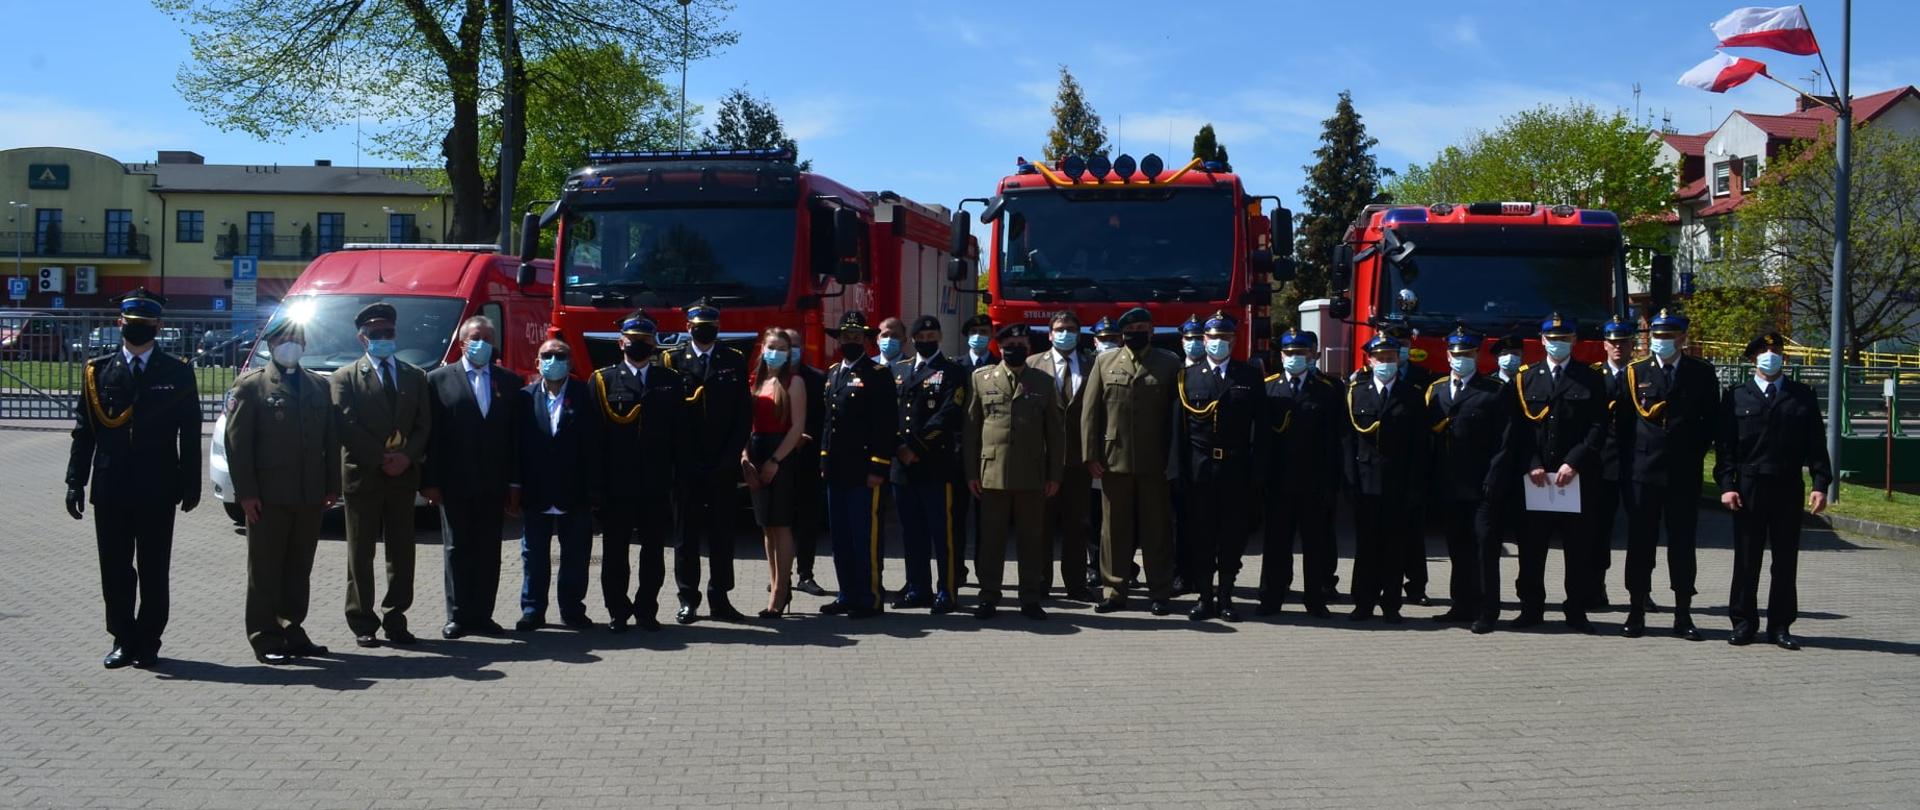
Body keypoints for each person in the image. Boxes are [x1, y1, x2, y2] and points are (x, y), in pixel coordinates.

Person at [66, 288, 202, 669]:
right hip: (111, 486)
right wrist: (75, 480)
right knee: (115, 568)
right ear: (119, 324)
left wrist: (191, 483)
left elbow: (190, 433)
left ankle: (149, 640)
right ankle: (123, 638)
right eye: (132, 325)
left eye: (146, 325)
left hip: (159, 485)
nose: (138, 331)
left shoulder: (177, 372)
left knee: (155, 568)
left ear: (158, 327)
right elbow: (85, 430)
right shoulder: (99, 371)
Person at [226, 320, 338, 664]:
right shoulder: (252, 386)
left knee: (298, 567)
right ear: (272, 345)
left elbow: (330, 442)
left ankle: (292, 629)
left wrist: (332, 485)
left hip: (309, 495)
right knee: (265, 569)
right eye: (285, 340)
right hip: (268, 496)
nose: (292, 345)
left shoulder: (318, 385)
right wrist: (246, 493)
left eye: (298, 340)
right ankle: (265, 636)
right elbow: (238, 445)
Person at [1495, 314, 1608, 633]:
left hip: (1575, 478)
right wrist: (1531, 463)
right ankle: (1531, 609)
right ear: (1542, 341)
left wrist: (1575, 462)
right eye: (1552, 338)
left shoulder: (1590, 378)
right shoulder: (1526, 378)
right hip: (1536, 478)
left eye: (1565, 338)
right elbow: (1516, 429)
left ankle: (1576, 611)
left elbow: (1599, 425)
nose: (1558, 343)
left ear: (1574, 341)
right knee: (1531, 549)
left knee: (1578, 549)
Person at [1717, 333, 1830, 650]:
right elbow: (1725, 448)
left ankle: (1780, 626)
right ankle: (1743, 623)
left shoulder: (1802, 396)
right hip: (1749, 486)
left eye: (1776, 350)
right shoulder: (1737, 396)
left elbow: (1816, 446)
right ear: (1753, 359)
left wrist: (1821, 484)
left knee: (1784, 561)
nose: (1771, 355)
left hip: (1787, 485)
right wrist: (1726, 485)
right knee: (1747, 559)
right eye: (1764, 351)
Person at [330, 300, 431, 648]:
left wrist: (406, 458)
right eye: (375, 333)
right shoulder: (344, 377)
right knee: (360, 553)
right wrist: (380, 457)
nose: (383, 337)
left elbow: (423, 425)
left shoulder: (415, 376)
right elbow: (346, 424)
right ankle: (362, 621)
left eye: (388, 332)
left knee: (402, 551)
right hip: (364, 476)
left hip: (402, 477)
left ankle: (396, 617)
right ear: (362, 338)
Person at [1619, 310, 1718, 640]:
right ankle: (1635, 611)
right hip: (1643, 473)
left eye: (1669, 336)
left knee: (1682, 545)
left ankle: (1683, 614)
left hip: (1683, 473)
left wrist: (1691, 454)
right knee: (1640, 544)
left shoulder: (1701, 373)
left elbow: (1710, 424)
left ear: (1682, 338)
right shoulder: (1635, 373)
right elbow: (1622, 426)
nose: (1662, 341)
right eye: (1657, 336)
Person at [423, 315, 523, 638]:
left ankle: (483, 616)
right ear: (463, 342)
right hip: (454, 483)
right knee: (456, 549)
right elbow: (432, 436)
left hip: (492, 483)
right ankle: (458, 615)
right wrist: (431, 481)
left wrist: (513, 484)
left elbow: (513, 438)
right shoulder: (438, 380)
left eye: (487, 338)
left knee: (488, 550)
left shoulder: (508, 382)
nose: (481, 343)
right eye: (475, 337)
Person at [594, 313, 691, 632]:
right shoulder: (603, 380)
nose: (639, 345)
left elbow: (680, 434)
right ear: (621, 342)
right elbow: (593, 440)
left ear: (654, 343)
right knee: (615, 552)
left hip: (656, 481)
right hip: (616, 483)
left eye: (645, 341)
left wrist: (679, 478)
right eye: (633, 339)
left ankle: (647, 609)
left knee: (653, 552)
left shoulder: (670, 380)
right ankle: (617, 611)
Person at [1084, 307, 1183, 615]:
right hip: (1114, 462)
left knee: (1157, 529)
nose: (1136, 333)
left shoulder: (1169, 364)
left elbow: (1176, 418)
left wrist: (1173, 460)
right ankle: (1114, 591)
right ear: (1122, 333)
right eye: (1131, 328)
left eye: (1142, 327)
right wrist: (1091, 456)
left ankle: (1159, 591)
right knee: (1114, 531)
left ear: (1151, 332)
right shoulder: (1104, 362)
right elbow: (1091, 413)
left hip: (1156, 462)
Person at [964, 323, 1065, 619]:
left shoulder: (1043, 382)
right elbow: (971, 430)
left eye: (1021, 344)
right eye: (1009, 344)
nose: (1015, 348)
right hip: (991, 474)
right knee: (991, 539)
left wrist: (1054, 475)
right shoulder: (981, 379)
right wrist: (971, 472)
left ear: (1029, 348)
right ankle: (988, 596)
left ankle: (1030, 597)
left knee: (1031, 539)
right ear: (1000, 347)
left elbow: (1056, 434)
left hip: (1032, 474)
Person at [664, 299, 753, 623]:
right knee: (685, 535)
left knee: (722, 533)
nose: (705, 330)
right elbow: (669, 417)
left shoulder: (734, 360)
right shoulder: (671, 359)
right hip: (686, 465)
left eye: (711, 325)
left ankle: (720, 597)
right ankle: (688, 598)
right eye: (699, 325)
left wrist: (730, 456)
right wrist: (680, 459)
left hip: (722, 464)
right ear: (688, 327)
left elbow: (743, 414)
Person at [1176, 312, 1268, 622]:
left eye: (1225, 338)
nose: (1218, 343)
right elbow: (1180, 431)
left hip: (1236, 467)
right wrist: (1179, 472)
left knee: (1232, 536)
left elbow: (1261, 429)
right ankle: (1204, 598)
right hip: (1200, 468)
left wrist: (1256, 472)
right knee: (1201, 535)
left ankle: (1226, 596)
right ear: (1203, 340)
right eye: (1213, 338)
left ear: (1234, 341)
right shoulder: (1187, 377)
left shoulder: (1249, 376)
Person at [514, 334, 602, 632]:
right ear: (537, 363)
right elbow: (516, 448)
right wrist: (515, 488)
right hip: (535, 492)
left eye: (561, 356)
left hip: (574, 493)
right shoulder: (524, 398)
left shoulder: (586, 395)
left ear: (571, 362)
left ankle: (572, 610)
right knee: (534, 557)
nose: (554, 361)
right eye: (547, 356)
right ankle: (533, 610)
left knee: (576, 557)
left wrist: (593, 491)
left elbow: (595, 448)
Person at [1344, 333, 1433, 623]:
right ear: (1369, 361)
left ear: (1399, 360)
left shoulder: (1412, 395)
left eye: (1391, 358)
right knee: (1367, 546)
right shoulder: (1356, 392)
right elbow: (1349, 443)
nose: (1385, 363)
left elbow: (1421, 446)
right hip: (1366, 482)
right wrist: (1350, 482)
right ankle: (1363, 603)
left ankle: (1391, 604)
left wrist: (1416, 486)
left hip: (1398, 482)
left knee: (1395, 547)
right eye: (1380, 358)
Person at [1258, 329, 1343, 617]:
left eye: (1301, 353)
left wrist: (1333, 482)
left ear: (1313, 355)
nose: (1295, 358)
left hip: (1314, 481)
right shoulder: (1269, 388)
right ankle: (1272, 597)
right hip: (1278, 482)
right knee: (1276, 543)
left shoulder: (1329, 389)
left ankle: (1315, 599)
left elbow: (1336, 440)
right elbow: (1262, 441)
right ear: (1280, 355)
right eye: (1290, 353)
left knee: (1315, 543)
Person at [819, 311, 899, 618]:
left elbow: (886, 425)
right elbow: (828, 421)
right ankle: (846, 594)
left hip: (865, 472)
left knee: (864, 537)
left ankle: (870, 598)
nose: (850, 341)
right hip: (837, 470)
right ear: (838, 339)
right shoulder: (833, 372)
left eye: (856, 337)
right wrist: (824, 459)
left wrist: (879, 467)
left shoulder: (877, 374)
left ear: (864, 339)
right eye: (845, 337)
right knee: (840, 538)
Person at [1424, 328, 1506, 625]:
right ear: (1448, 356)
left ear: (1477, 355)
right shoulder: (1437, 391)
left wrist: (1493, 477)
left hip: (1481, 483)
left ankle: (1487, 609)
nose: (1461, 360)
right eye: (1456, 355)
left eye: (1467, 355)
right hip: (1449, 483)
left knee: (1484, 546)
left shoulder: (1494, 391)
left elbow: (1504, 441)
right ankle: (1461, 604)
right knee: (1457, 547)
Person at [890, 315, 968, 613]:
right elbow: (889, 414)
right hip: (903, 468)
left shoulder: (953, 372)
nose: (926, 340)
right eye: (920, 337)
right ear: (912, 340)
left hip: (935, 465)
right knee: (912, 533)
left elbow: (948, 414)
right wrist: (898, 447)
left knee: (942, 533)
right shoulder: (898, 371)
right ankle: (917, 588)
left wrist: (915, 447)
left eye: (932, 335)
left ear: (939, 337)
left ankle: (946, 591)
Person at [1030, 310, 1097, 600]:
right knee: (1041, 525)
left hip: (1079, 460)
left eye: (1070, 328)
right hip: (1042, 460)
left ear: (1079, 333)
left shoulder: (1094, 364)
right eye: (1059, 328)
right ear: (1049, 333)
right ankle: (1041, 582)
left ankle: (1076, 584)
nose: (1065, 333)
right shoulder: (1033, 364)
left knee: (1077, 525)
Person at [743, 328, 809, 618]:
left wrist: (774, 461)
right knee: (766, 527)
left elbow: (796, 428)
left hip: (779, 456)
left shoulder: (794, 382)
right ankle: (775, 584)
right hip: (755, 455)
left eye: (783, 348)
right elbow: (746, 424)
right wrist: (745, 457)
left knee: (781, 525)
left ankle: (781, 591)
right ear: (762, 348)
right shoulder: (756, 383)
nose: (776, 352)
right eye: (772, 346)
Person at [1471, 333, 1529, 634]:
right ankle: (1482, 605)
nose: (1512, 357)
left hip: (1527, 474)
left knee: (1529, 543)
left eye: (1517, 351)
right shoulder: (1488, 385)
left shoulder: (1531, 379)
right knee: (1486, 544)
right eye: (1506, 353)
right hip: (1492, 479)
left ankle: (1530, 603)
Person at [1379, 314, 1438, 607]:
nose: (1397, 350)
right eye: (1393, 343)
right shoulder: (1364, 379)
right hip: (1380, 470)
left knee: (1413, 535)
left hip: (1413, 467)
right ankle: (1378, 585)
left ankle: (1416, 587)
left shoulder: (1425, 379)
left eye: (1402, 344)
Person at [1589, 313, 1638, 612]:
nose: (1618, 347)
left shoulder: (1642, 374)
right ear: (1604, 345)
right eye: (1613, 342)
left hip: (1636, 462)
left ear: (1632, 344)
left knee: (1641, 531)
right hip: (1602, 463)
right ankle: (1596, 586)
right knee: (1599, 530)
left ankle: (1639, 590)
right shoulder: (1594, 376)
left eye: (1624, 342)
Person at [781, 328, 831, 597]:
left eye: (796, 344)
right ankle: (781, 577)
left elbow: (826, 421)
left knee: (807, 519)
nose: (792, 350)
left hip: (808, 459)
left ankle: (805, 574)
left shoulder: (817, 379)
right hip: (778, 460)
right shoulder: (767, 379)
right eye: (787, 345)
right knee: (780, 520)